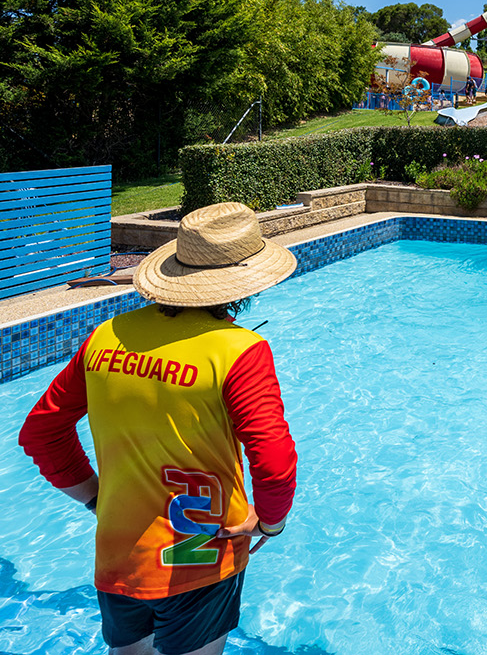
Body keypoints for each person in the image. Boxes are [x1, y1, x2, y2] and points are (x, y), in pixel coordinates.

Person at [20, 202, 299, 655]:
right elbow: (274, 460)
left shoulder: (107, 337)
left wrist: (95, 496)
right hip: (204, 552)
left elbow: (41, 431)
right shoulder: (239, 351)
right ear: (243, 283)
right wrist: (270, 523)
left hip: (120, 553)